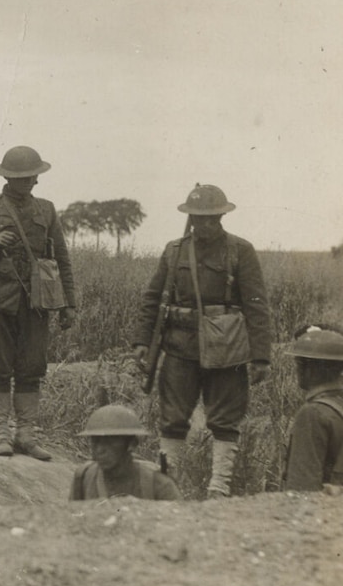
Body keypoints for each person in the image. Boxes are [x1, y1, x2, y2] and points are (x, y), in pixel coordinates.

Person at [131, 184, 271, 497]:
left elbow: (256, 304)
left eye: (210, 218)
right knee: (172, 418)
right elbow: (152, 298)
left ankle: (218, 489)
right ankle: (168, 487)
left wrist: (260, 355)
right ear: (190, 217)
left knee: (225, 419)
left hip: (227, 348)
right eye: (198, 218)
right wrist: (142, 340)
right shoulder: (174, 250)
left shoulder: (240, 251)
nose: (204, 224)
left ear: (222, 216)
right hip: (180, 346)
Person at [0, 146, 77, 461]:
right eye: (21, 177)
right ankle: (1, 434)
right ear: (7, 177)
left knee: (32, 369)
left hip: (36, 303)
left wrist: (68, 303)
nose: (29, 181)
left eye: (32, 176)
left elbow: (61, 258)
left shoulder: (46, 210)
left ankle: (26, 435)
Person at [70, 404, 180, 501]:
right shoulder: (84, 478)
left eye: (110, 442)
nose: (100, 450)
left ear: (132, 444)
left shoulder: (158, 485)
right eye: (96, 442)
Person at [282, 325, 343, 493]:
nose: (298, 369)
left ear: (308, 368)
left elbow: (302, 488)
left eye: (300, 363)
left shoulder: (312, 414)